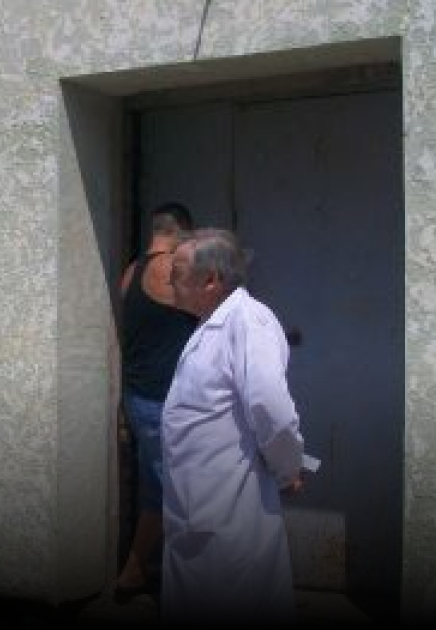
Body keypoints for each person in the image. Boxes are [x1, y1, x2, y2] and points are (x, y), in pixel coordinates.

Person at [161, 228, 306, 625]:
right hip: (196, 509)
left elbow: (271, 408)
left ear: (211, 280)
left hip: (230, 513)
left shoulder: (248, 322)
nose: (169, 282)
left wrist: (288, 468)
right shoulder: (211, 324)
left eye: (177, 274)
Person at [113, 202, 198, 602]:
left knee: (156, 491)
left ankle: (132, 572)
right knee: (182, 492)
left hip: (140, 396)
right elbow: (210, 306)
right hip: (161, 401)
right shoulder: (167, 269)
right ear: (181, 231)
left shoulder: (132, 271)